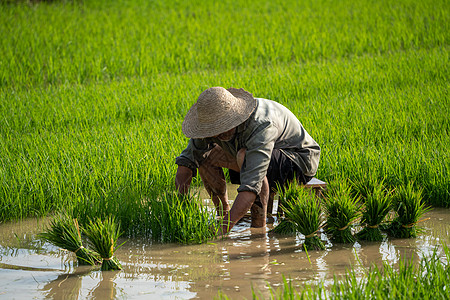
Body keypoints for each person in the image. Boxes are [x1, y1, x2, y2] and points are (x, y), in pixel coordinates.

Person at [175, 87, 320, 235]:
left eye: (221, 127)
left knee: (245, 156)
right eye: (213, 129)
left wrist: (223, 230)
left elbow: (253, 182)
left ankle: (258, 228)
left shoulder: (260, 125)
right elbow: (187, 162)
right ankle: (223, 211)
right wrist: (181, 204)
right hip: (253, 156)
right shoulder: (210, 126)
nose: (217, 134)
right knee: (206, 156)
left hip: (298, 160)